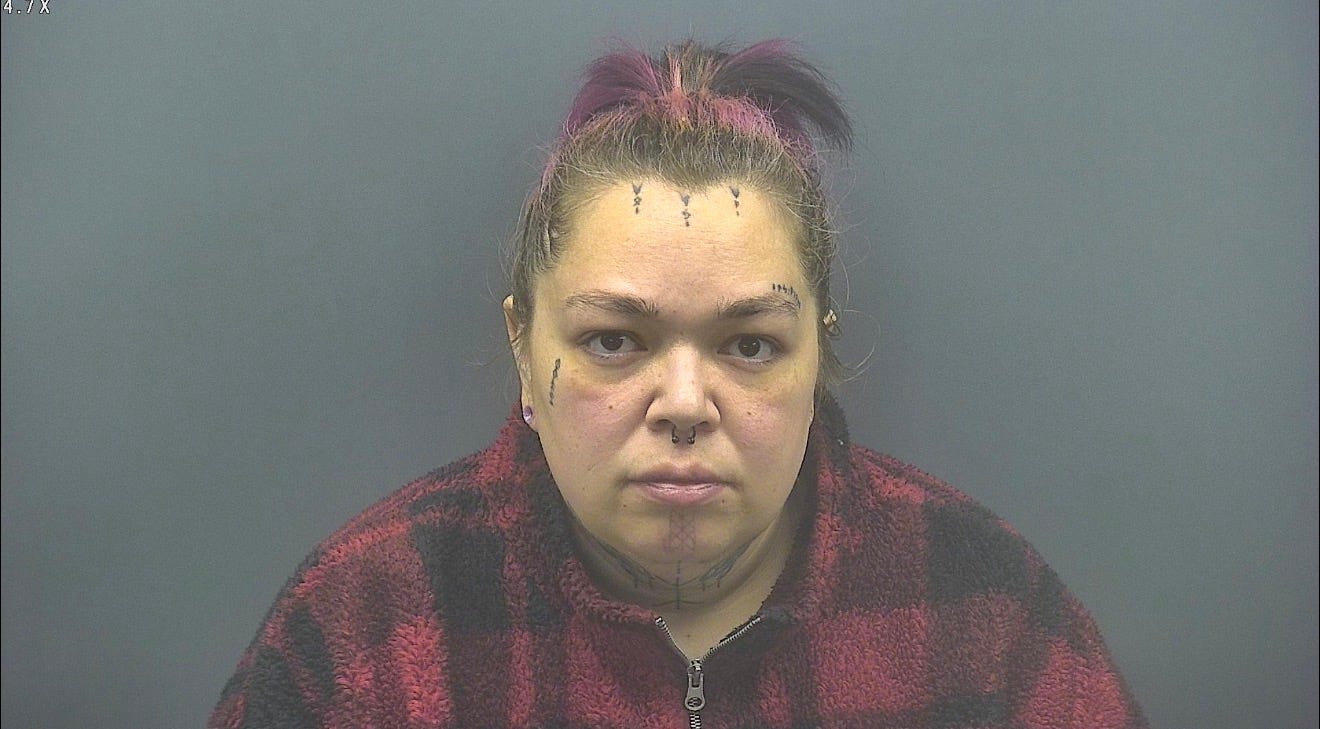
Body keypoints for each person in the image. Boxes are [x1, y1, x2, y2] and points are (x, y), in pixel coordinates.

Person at [210, 39, 1148, 729]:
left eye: (750, 346)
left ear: (818, 357)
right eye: (615, 340)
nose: (687, 405)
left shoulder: (984, 608)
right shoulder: (370, 619)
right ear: (523, 348)